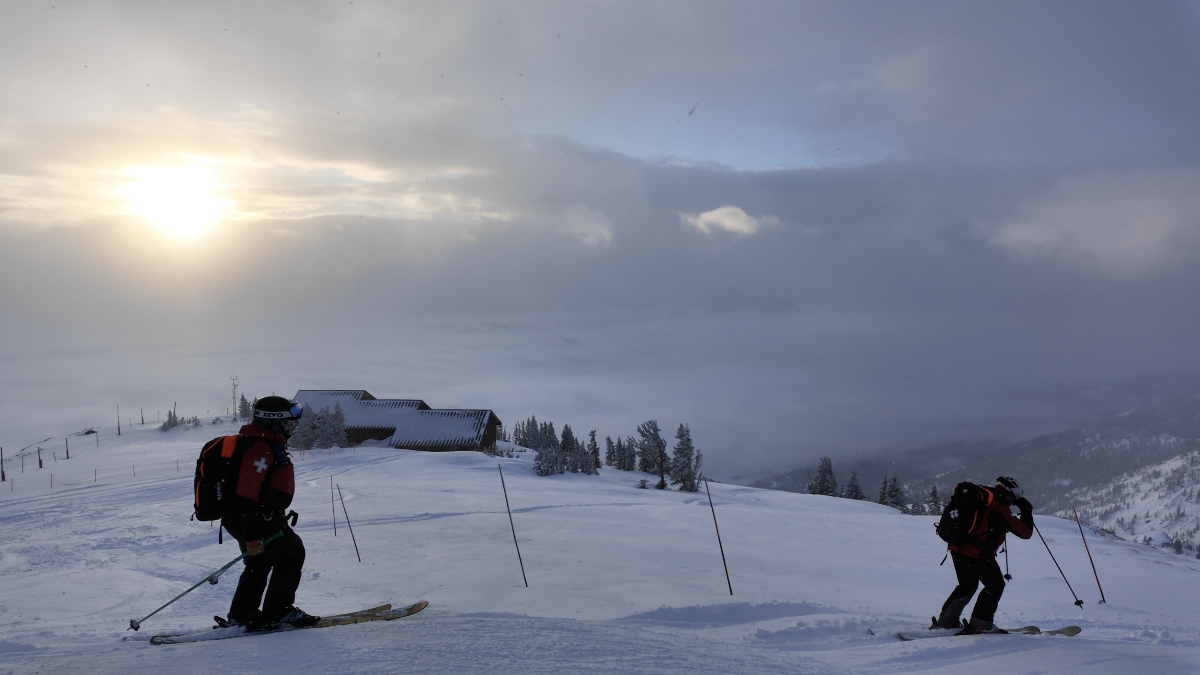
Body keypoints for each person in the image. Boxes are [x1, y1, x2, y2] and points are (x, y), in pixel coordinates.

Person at [221, 395, 319, 631]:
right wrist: (253, 534)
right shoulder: (260, 449)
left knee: (259, 563)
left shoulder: (264, 444)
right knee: (292, 552)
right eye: (287, 422)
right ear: (273, 422)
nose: (291, 427)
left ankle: (243, 615)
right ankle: (279, 612)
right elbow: (246, 493)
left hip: (249, 518)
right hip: (252, 518)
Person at [934, 475, 1033, 635]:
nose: (1011, 503)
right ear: (1010, 493)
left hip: (957, 547)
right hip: (977, 553)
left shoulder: (983, 495)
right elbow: (1025, 532)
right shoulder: (998, 506)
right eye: (1013, 499)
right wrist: (1026, 510)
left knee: (967, 585)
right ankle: (981, 625)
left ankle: (946, 622)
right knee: (995, 586)